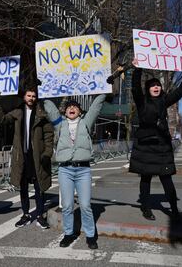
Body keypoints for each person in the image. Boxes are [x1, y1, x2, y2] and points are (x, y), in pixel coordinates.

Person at [128, 63, 182, 221]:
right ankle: (146, 208)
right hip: (145, 145)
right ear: (148, 89)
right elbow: (135, 88)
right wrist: (137, 69)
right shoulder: (142, 101)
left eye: (158, 85)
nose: (156, 87)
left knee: (167, 178)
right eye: (152, 85)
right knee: (145, 179)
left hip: (162, 146)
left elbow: (181, 91)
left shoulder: (164, 101)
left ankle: (174, 209)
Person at [45, 94, 106, 249]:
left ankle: (91, 235)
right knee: (67, 205)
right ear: (65, 112)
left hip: (83, 170)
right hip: (65, 170)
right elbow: (51, 110)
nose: (72, 108)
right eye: (69, 107)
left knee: (85, 205)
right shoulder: (60, 124)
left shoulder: (86, 123)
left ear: (80, 111)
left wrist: (104, 92)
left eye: (75, 107)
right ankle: (69, 233)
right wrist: (43, 93)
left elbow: (95, 107)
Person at [2, 85, 54, 229]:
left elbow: (49, 136)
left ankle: (39, 215)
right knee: (23, 188)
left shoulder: (41, 114)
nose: (31, 98)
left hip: (37, 157)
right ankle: (25, 214)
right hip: (21, 157)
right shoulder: (17, 113)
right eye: (29, 95)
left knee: (39, 189)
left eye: (34, 96)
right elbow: (2, 120)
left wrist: (47, 153)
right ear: (24, 97)